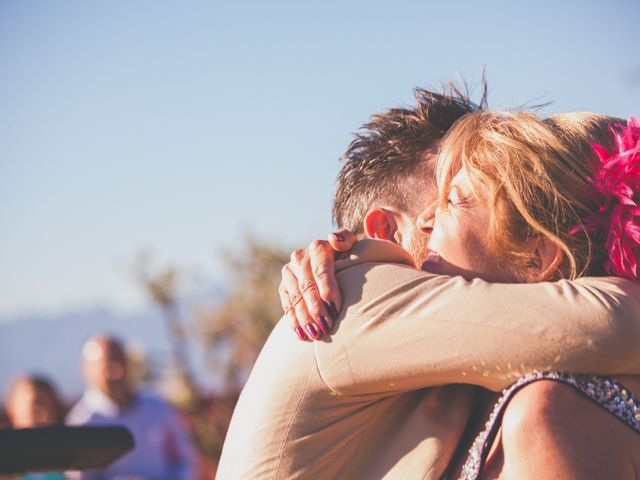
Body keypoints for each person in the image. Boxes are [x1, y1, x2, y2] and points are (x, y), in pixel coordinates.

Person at [217, 88, 640, 479]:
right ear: (384, 230)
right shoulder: (353, 293)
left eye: (453, 197)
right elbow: (605, 325)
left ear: (538, 251)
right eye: (437, 193)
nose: (429, 218)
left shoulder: (529, 387)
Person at [66, 334, 197, 480]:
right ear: (87, 371)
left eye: (120, 362)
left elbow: (185, 459)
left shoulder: (158, 408)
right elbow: (79, 476)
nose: (117, 373)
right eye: (108, 366)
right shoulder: (82, 422)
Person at [4, 375, 67, 480]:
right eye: (36, 406)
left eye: (52, 408)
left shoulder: (71, 460)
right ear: (11, 410)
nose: (45, 416)